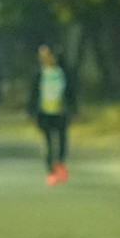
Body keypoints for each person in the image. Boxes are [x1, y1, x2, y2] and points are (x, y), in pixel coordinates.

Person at [34, 45, 75, 185]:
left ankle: (60, 166)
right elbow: (34, 93)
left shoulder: (63, 73)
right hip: (44, 113)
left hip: (61, 112)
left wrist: (73, 108)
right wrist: (32, 111)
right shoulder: (39, 74)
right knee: (48, 144)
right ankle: (50, 171)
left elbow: (71, 92)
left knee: (62, 141)